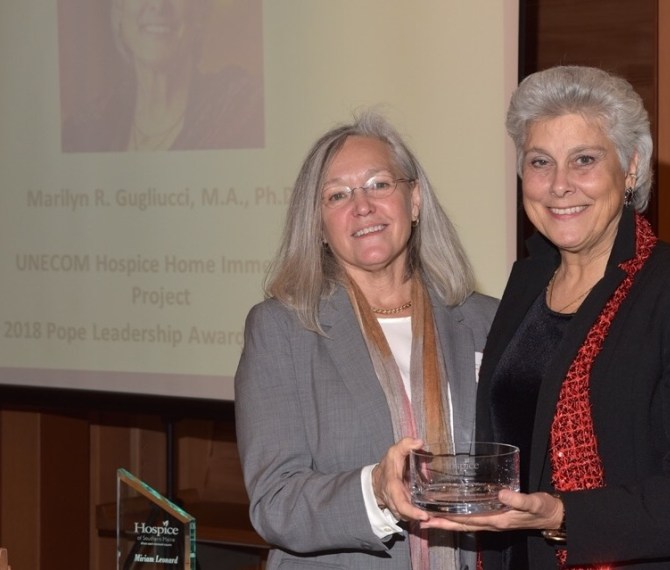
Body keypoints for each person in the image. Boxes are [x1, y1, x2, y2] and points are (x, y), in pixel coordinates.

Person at [421, 65, 670, 568]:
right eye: (540, 162)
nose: (558, 186)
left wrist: (562, 514)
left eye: (585, 160)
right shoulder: (527, 283)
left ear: (632, 167)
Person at [234, 111, 499, 569]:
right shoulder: (281, 330)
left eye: (379, 184)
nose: (362, 206)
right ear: (317, 225)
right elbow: (274, 502)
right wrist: (375, 489)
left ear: (414, 200)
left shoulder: (484, 321)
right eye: (337, 195)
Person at [62, 0, 264, 152]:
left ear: (200, 13)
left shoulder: (240, 108)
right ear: (119, 13)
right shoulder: (88, 127)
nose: (159, 5)